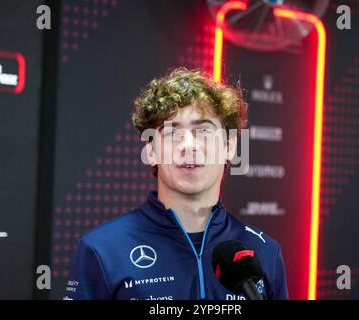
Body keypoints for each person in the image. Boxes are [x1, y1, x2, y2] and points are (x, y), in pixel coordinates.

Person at [64, 67, 289, 300]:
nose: (188, 145)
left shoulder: (264, 252)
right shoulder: (102, 250)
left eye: (203, 131)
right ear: (151, 151)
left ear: (229, 147)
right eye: (172, 133)